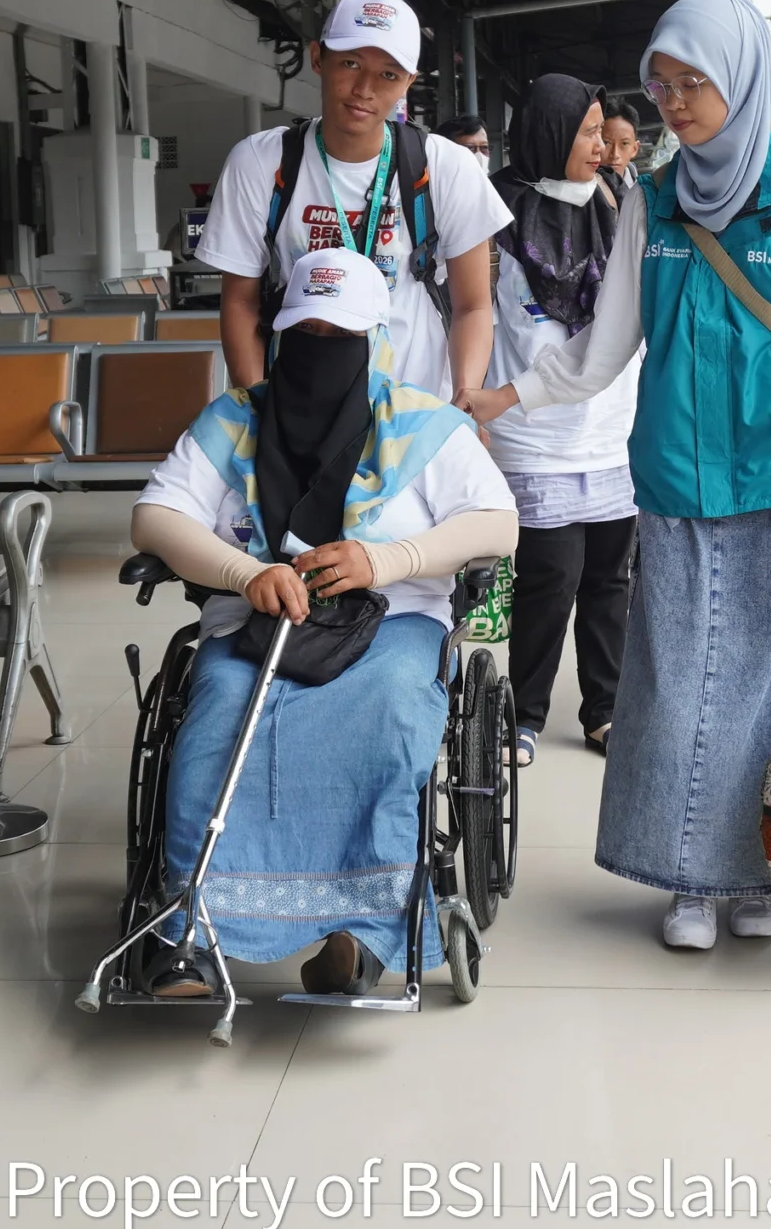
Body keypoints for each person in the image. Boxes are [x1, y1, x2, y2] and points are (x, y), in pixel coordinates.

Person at [461, 0, 771, 952]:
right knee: (678, 687)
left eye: (692, 82)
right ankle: (687, 883)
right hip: (676, 481)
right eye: (662, 83)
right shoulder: (654, 201)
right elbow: (605, 342)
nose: (672, 101)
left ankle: (759, 875)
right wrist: (512, 396)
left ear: (741, 77)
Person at [129, 248, 519, 997]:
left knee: (393, 711)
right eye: (304, 336)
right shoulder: (237, 419)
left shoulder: (420, 425)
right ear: (278, 338)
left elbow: (499, 523)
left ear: (376, 341)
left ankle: (359, 931)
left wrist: (390, 559)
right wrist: (250, 573)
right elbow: (155, 516)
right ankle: (189, 934)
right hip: (258, 614)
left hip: (391, 618)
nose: (319, 354)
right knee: (219, 714)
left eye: (339, 339)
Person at [198, 0, 511, 398]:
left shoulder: (446, 167)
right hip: (300, 407)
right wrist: (258, 407)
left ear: (408, 84)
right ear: (317, 58)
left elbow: (473, 306)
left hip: (411, 412)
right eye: (350, 63)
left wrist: (464, 399)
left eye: (389, 74)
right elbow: (240, 302)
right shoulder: (261, 162)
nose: (365, 88)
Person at [486, 75, 639, 765]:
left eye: (604, 132)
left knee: (612, 577)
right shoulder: (493, 212)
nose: (602, 145)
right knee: (552, 577)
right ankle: (524, 711)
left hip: (612, 426)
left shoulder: (619, 203)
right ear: (549, 133)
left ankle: (604, 710)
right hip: (530, 427)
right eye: (587, 132)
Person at [600, 101, 644, 195]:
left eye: (624, 143)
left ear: (634, 149)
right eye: (607, 143)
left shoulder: (645, 194)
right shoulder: (581, 190)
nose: (615, 154)